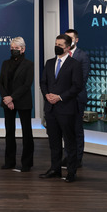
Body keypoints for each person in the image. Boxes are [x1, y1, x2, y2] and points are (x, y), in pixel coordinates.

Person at [39, 34, 83, 182]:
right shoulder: (49, 62)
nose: (57, 47)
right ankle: (55, 169)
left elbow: (77, 86)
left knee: (69, 142)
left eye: (60, 45)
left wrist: (59, 97)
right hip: (50, 109)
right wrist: (47, 95)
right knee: (54, 142)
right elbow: (43, 82)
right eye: (56, 43)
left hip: (66, 109)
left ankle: (71, 172)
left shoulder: (75, 64)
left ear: (68, 47)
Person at [0, 37, 35, 172]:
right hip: (7, 103)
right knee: (9, 133)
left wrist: (12, 98)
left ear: (23, 49)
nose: (14, 50)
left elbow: (26, 85)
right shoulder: (5, 63)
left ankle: (26, 163)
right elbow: (0, 83)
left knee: (27, 133)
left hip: (23, 101)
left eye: (16, 48)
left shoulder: (29, 64)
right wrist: (6, 99)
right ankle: (9, 162)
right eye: (12, 48)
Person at [64, 29, 90, 169]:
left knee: (77, 130)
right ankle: (68, 156)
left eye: (70, 38)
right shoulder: (61, 55)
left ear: (76, 40)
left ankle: (77, 158)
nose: (68, 40)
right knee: (66, 130)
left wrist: (67, 93)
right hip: (64, 100)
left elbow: (82, 79)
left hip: (77, 99)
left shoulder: (82, 56)